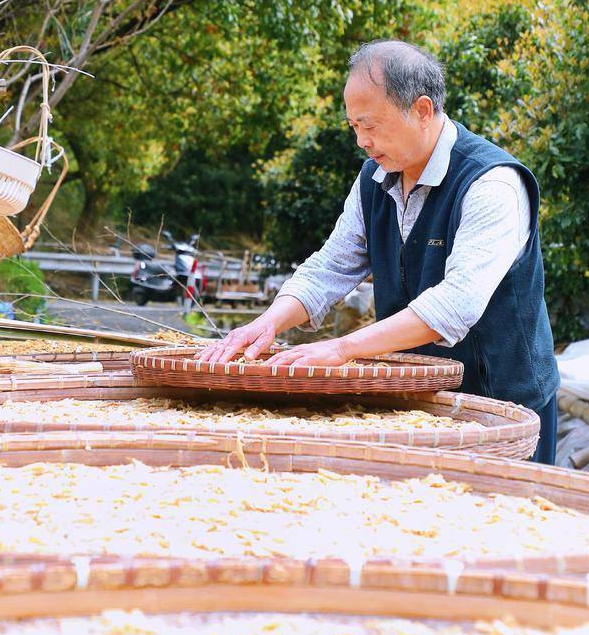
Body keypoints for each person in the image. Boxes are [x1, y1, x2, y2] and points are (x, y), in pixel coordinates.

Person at [197, 40, 560, 464]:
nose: (361, 141)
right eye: (353, 126)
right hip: (418, 406)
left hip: (503, 408)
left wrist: (342, 349)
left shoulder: (491, 183)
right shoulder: (375, 177)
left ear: (422, 110)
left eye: (370, 125)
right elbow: (330, 266)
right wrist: (267, 323)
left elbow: (455, 304)